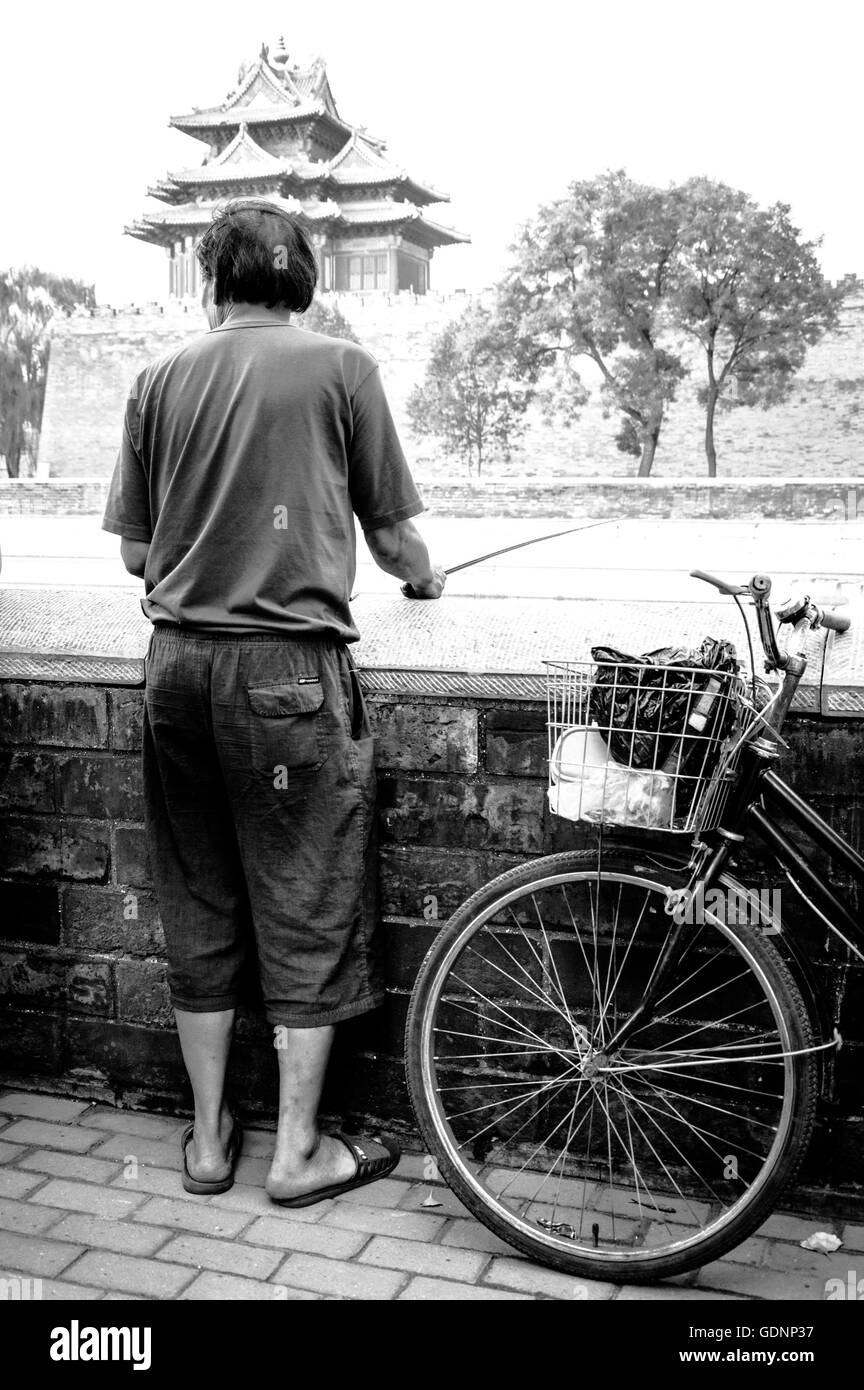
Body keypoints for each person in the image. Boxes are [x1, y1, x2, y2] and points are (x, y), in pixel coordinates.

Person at [102, 198, 445, 1207]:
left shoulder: (159, 377)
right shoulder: (342, 368)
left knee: (198, 893)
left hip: (176, 672)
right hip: (287, 678)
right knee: (306, 897)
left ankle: (210, 1143)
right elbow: (390, 535)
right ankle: (296, 1153)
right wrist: (424, 577)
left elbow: (134, 550)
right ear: (305, 276)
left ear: (212, 274)